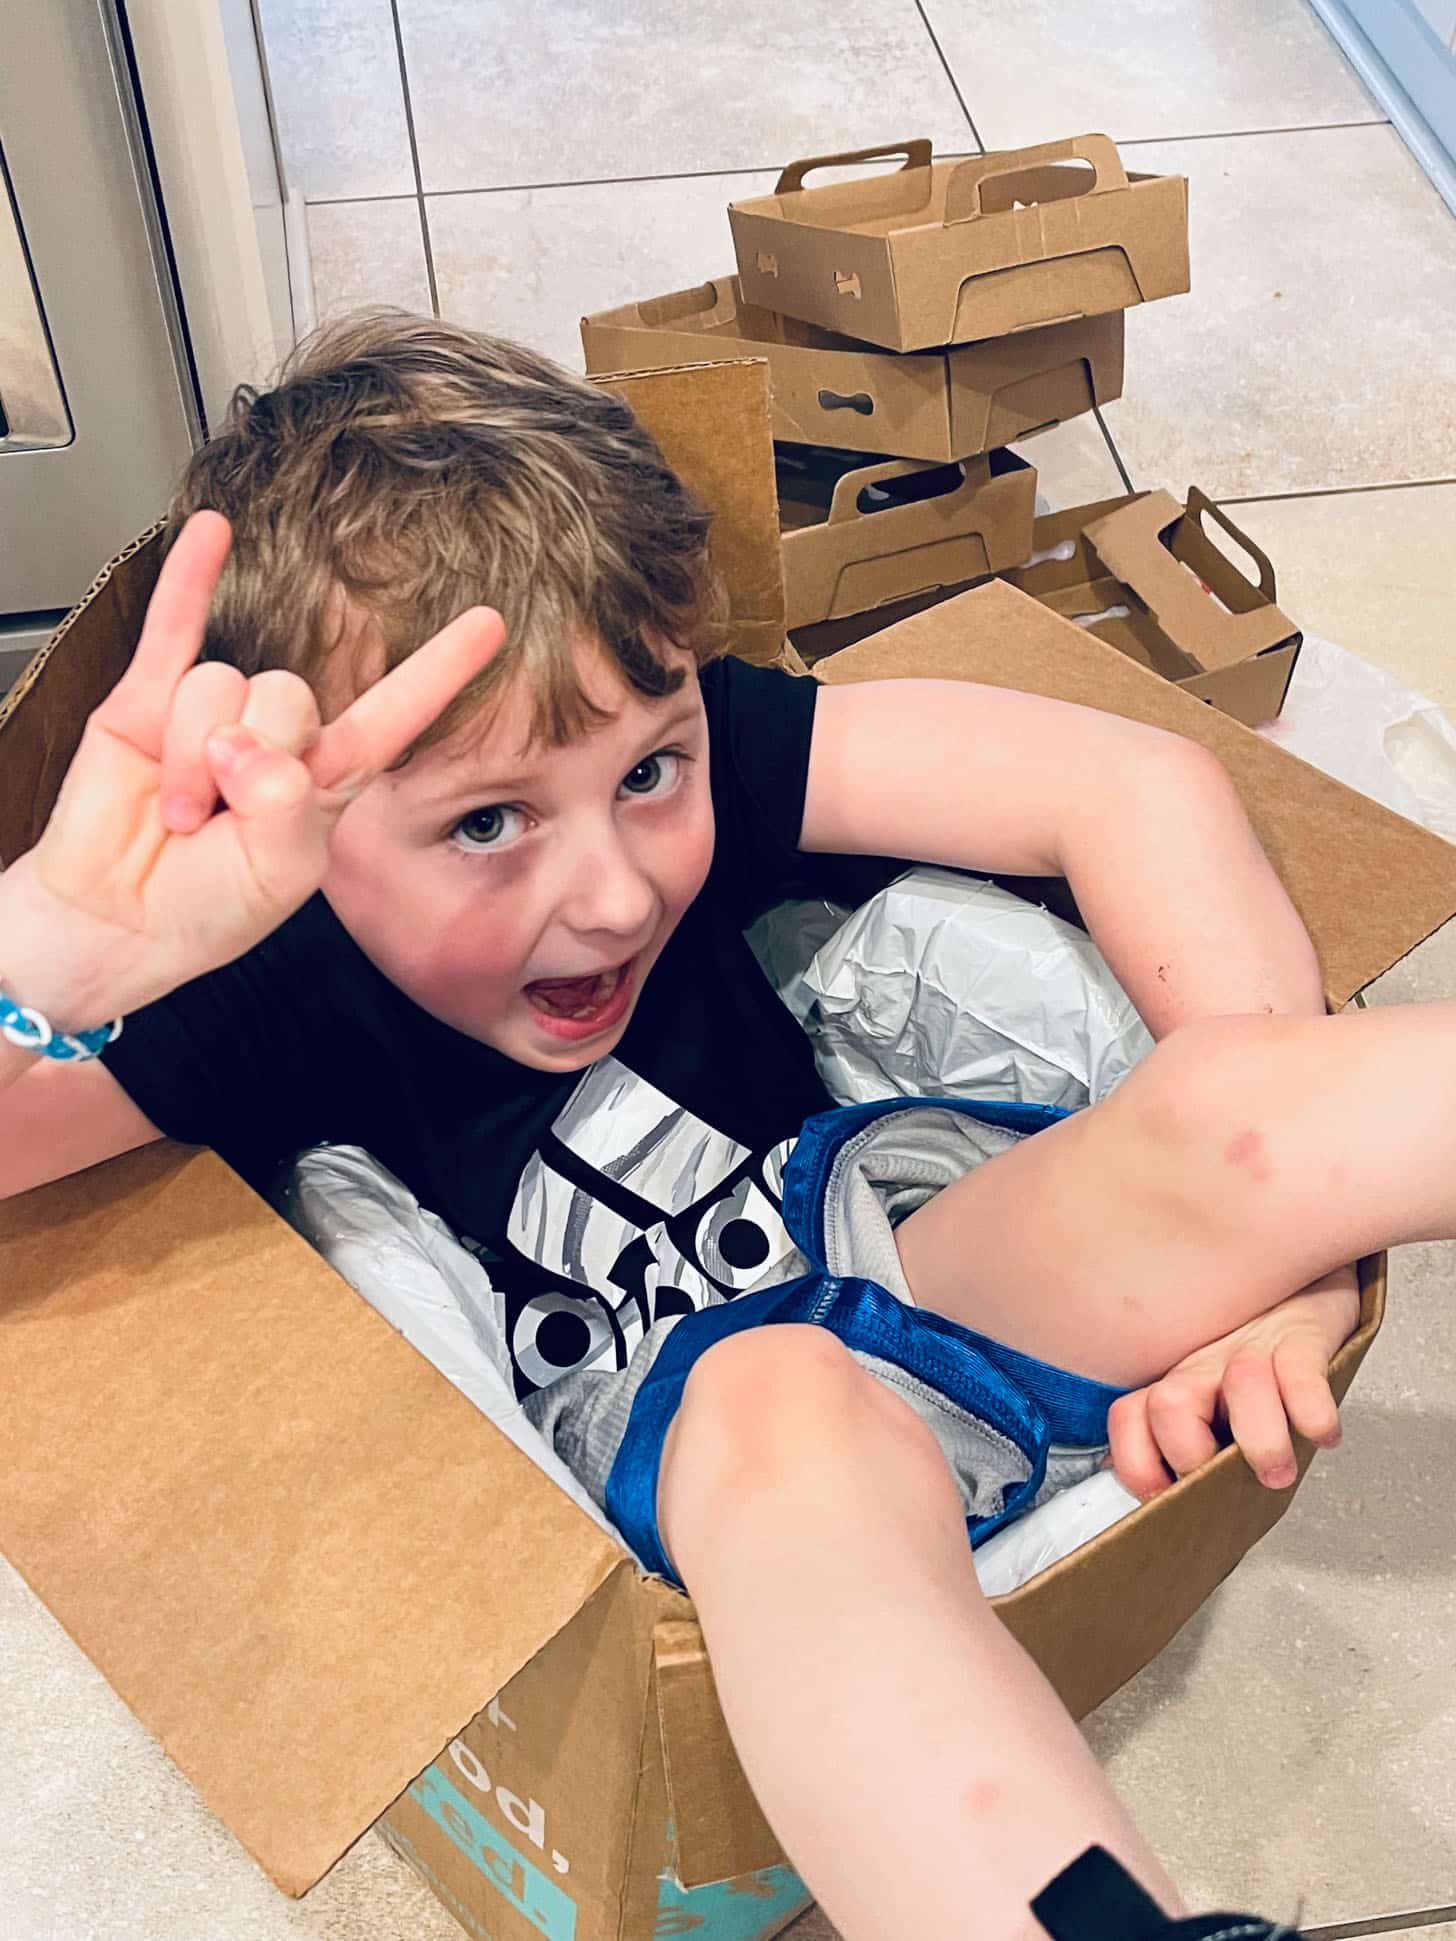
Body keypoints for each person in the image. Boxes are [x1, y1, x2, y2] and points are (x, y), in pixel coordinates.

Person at [0, 313, 1434, 1941]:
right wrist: (54, 952)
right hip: (670, 1428)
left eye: (649, 775)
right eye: (488, 821)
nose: (615, 892)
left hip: (900, 1249)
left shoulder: (712, 746)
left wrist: (1295, 1279)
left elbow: (1135, 784)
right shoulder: (268, 985)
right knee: (779, 1400)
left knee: (1231, 1103)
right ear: (303, 818)